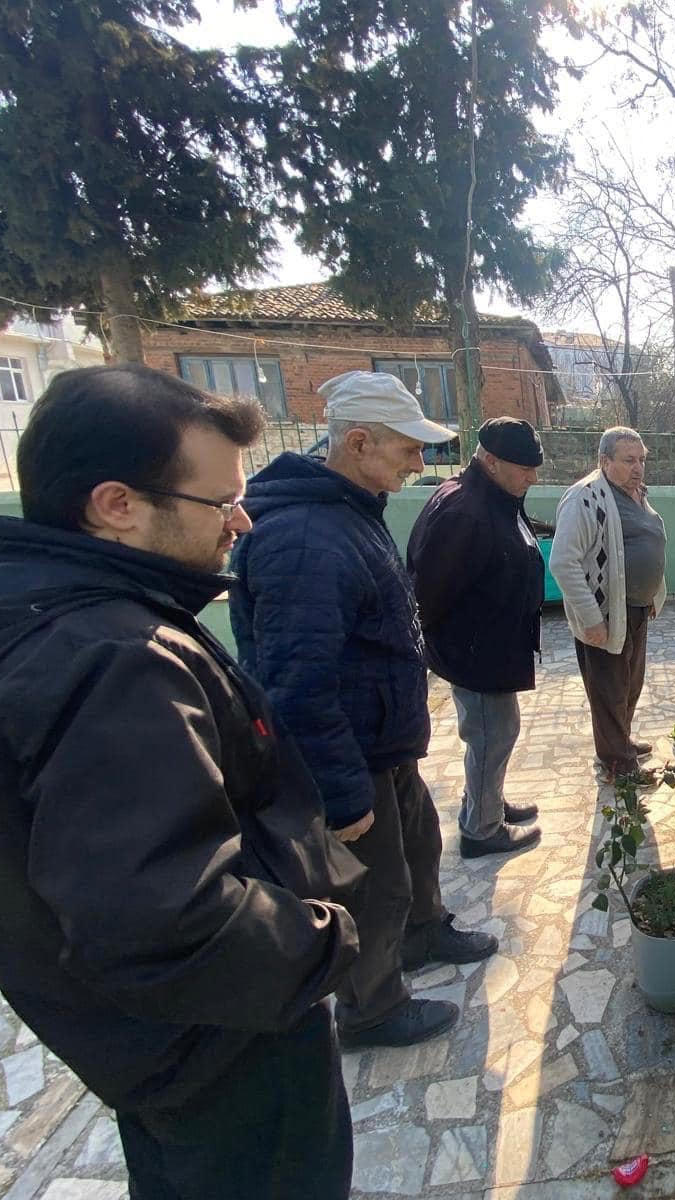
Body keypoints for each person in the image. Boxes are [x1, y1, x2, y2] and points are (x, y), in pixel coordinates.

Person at [0, 365, 361, 1199]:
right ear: (117, 505)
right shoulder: (118, 661)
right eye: (219, 504)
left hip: (162, 1049)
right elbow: (163, 918)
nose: (240, 522)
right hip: (222, 1047)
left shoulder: (34, 607)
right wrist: (320, 941)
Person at [230, 371, 497, 1050]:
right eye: (409, 451)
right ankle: (372, 1006)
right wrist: (344, 796)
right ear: (357, 442)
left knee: (417, 848)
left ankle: (424, 932)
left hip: (384, 741)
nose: (420, 464)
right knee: (373, 885)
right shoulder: (305, 540)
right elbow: (298, 685)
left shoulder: (349, 511)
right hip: (353, 752)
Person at [407, 417, 546, 858]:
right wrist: (462, 647)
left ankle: (486, 801)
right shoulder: (464, 511)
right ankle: (482, 829)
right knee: (492, 733)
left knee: (494, 733)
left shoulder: (493, 495)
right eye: (523, 468)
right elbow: (429, 593)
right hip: (476, 652)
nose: (532, 477)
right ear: (489, 460)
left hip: (490, 647)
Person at [549, 426, 667, 786]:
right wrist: (591, 618)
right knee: (609, 691)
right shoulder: (585, 498)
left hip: (635, 609)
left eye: (642, 460)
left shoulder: (635, 494)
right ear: (604, 461)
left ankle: (621, 743)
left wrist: (652, 595)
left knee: (629, 685)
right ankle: (618, 765)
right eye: (629, 460)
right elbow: (562, 563)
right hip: (604, 614)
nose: (638, 468)